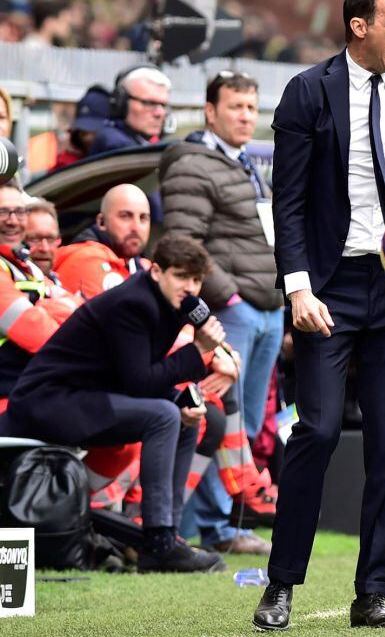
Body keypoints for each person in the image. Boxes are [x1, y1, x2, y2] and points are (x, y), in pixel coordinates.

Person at [255, 0, 385, 632]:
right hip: (329, 289)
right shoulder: (307, 92)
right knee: (315, 430)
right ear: (359, 26)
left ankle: (371, 594)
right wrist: (298, 288)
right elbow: (287, 203)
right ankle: (280, 585)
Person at [3, 235, 231, 573]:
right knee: (165, 415)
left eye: (196, 280)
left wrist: (179, 396)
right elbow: (138, 382)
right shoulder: (134, 303)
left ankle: (170, 534)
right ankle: (159, 543)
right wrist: (197, 352)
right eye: (181, 276)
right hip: (48, 402)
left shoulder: (162, 303)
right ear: (156, 272)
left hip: (84, 396)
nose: (190, 288)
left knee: (184, 413)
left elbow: (134, 377)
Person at [160, 69, 281, 549]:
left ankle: (214, 525)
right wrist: (230, 297)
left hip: (265, 309)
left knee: (245, 426)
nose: (246, 116)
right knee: (216, 417)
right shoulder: (193, 163)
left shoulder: (245, 163)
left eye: (252, 108)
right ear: (210, 111)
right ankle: (208, 527)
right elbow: (184, 245)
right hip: (232, 310)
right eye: (235, 107)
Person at [0, 186, 80, 411]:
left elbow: (80, 310)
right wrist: (46, 309)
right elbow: (38, 332)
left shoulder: (26, 268)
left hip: (31, 391)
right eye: (2, 212)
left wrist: (47, 308)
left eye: (19, 212)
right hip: (11, 402)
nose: (12, 221)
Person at [89, 65, 170, 155]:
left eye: (163, 105)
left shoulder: (141, 140)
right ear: (121, 102)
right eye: (148, 103)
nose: (160, 113)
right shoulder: (113, 142)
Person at [51, 84, 110, 171]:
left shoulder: (119, 156)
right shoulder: (66, 163)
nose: (87, 138)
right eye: (83, 132)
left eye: (94, 131)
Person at [23, 199, 61, 276]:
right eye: (35, 239)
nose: (45, 248)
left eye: (50, 239)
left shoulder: (56, 283)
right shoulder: (6, 280)